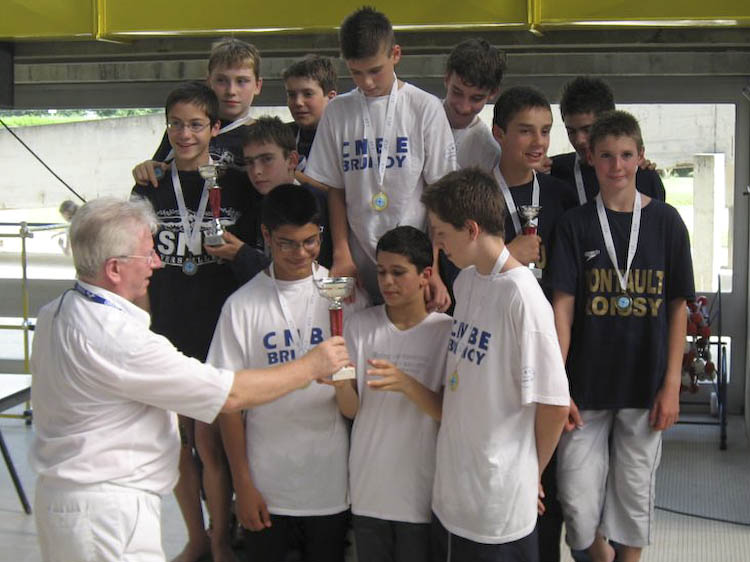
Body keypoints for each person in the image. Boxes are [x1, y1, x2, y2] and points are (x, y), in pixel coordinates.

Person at [30, 196, 349, 562]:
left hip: (69, 501)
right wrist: (310, 366)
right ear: (114, 269)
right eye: (147, 254)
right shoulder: (117, 338)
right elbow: (229, 395)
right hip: (106, 512)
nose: (157, 262)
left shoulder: (56, 311)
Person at [549, 111, 694, 562]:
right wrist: (557, 385)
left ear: (641, 157)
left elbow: (678, 308)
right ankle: (599, 554)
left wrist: (672, 385)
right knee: (576, 502)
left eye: (627, 155)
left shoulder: (667, 222)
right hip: (585, 384)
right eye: (607, 156)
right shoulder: (574, 224)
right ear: (591, 158)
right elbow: (562, 308)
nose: (617, 166)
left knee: (634, 496)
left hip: (644, 383)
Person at [131, 82, 258, 562]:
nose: (185, 134)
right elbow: (138, 261)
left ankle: (221, 538)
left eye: (196, 125)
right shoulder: (148, 185)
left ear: (215, 128)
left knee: (212, 442)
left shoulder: (236, 183)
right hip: (168, 326)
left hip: (219, 327)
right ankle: (197, 539)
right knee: (177, 443)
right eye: (177, 125)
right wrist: (142, 325)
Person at [422, 168, 570, 562]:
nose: (437, 243)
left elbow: (554, 406)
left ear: (471, 229)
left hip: (497, 501)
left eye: (441, 232)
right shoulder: (467, 282)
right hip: (453, 491)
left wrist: (530, 474)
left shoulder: (523, 297)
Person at [210, 185, 361, 562]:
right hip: (266, 485)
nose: (301, 253)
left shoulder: (344, 297)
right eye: (287, 244)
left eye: (310, 241)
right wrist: (242, 484)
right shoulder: (241, 306)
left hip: (330, 483)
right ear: (266, 235)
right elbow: (227, 404)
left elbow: (358, 400)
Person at [305, 6, 457, 308]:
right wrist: (341, 253)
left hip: (413, 261)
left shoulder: (424, 108)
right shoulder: (337, 112)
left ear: (395, 54)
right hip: (357, 260)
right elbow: (336, 190)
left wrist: (434, 268)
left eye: (375, 71)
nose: (367, 82)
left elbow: (438, 196)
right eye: (356, 72)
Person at [333, 225, 451, 562]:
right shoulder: (359, 326)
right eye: (381, 272)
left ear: (425, 275)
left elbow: (451, 413)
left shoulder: (446, 332)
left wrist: (407, 384)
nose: (387, 282)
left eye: (398, 273)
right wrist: (340, 384)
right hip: (369, 489)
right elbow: (351, 410)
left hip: (422, 493)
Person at [133, 37, 263, 187]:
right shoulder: (182, 130)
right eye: (221, 80)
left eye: (242, 81)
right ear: (209, 82)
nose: (231, 91)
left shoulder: (263, 137)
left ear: (257, 85)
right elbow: (159, 170)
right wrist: (146, 169)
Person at [492, 86, 578, 293]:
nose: (539, 142)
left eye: (545, 131)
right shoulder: (471, 198)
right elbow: (458, 275)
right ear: (499, 133)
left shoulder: (561, 195)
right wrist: (506, 255)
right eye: (525, 131)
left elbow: (571, 275)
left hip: (547, 311)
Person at [232, 116, 333, 275]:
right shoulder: (250, 208)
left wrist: (243, 254)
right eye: (250, 162)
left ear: (292, 160)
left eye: (267, 159)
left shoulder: (322, 202)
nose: (257, 171)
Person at [550, 76, 665, 204]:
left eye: (588, 129)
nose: (579, 140)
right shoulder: (554, 171)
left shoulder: (644, 176)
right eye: (571, 131)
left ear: (609, 122)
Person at [443, 38, 504, 172]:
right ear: (446, 78)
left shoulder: (489, 152)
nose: (463, 107)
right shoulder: (417, 117)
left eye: (476, 98)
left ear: (493, 93)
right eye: (457, 93)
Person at [283, 54, 337, 172]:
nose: (298, 102)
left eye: (308, 94)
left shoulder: (346, 138)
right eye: (291, 95)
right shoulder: (279, 139)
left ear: (331, 98)